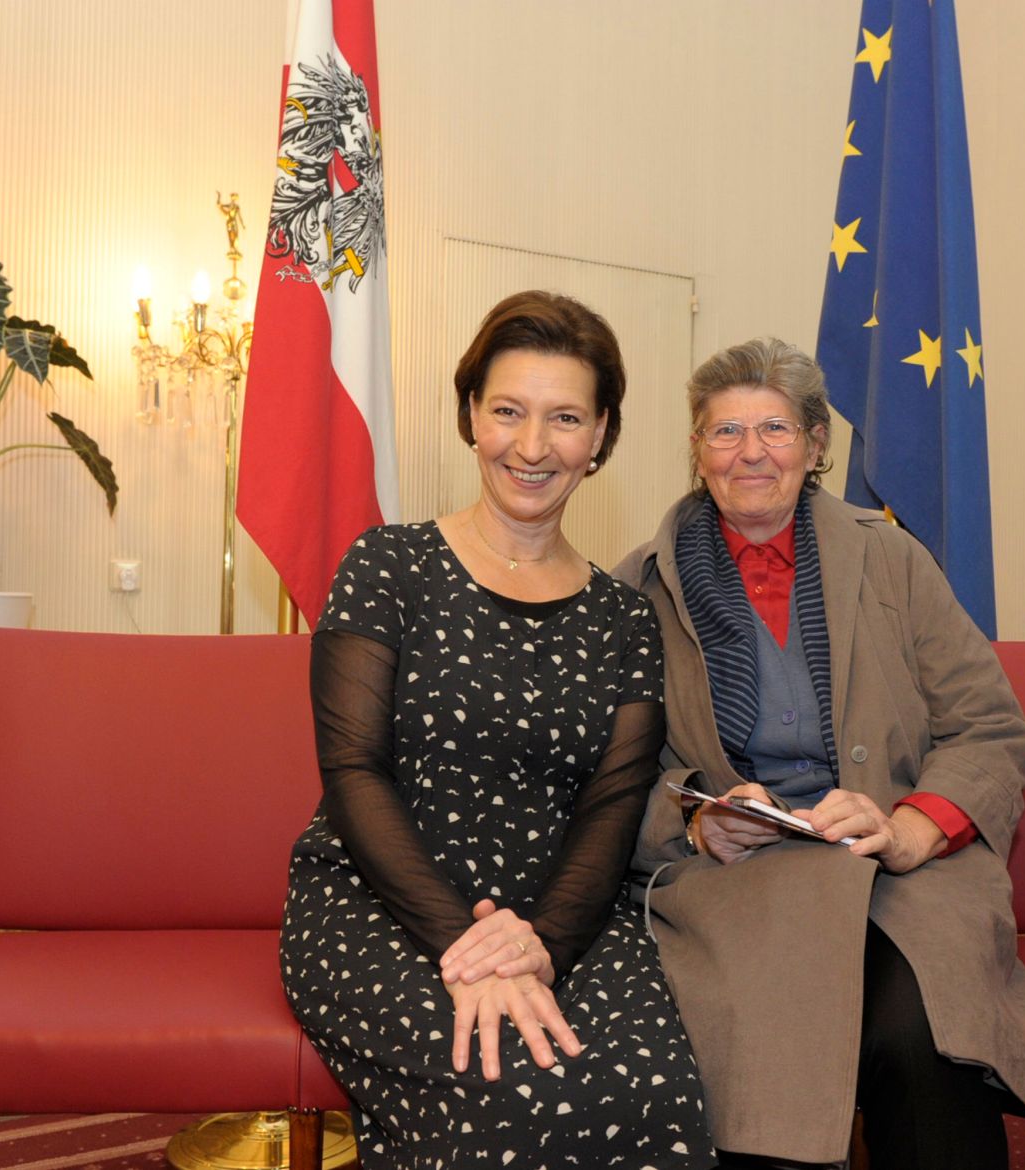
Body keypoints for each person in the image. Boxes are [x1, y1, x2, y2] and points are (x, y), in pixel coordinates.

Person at [615, 338, 1025, 1169]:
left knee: (920, 1040)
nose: (751, 452)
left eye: (776, 429)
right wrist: (696, 823)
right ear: (695, 450)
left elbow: (992, 729)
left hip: (903, 882)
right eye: (724, 432)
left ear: (818, 444)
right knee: (762, 1042)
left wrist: (909, 828)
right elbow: (610, 779)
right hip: (736, 889)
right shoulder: (636, 589)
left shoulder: (894, 561)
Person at [281, 291, 716, 1170]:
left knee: (655, 1093)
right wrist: (470, 946)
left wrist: (542, 945)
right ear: (470, 415)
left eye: (563, 418)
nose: (531, 445)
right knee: (502, 1093)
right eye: (508, 411)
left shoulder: (627, 618)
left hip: (566, 915)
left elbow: (611, 807)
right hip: (382, 902)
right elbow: (354, 773)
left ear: (600, 438)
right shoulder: (387, 566)